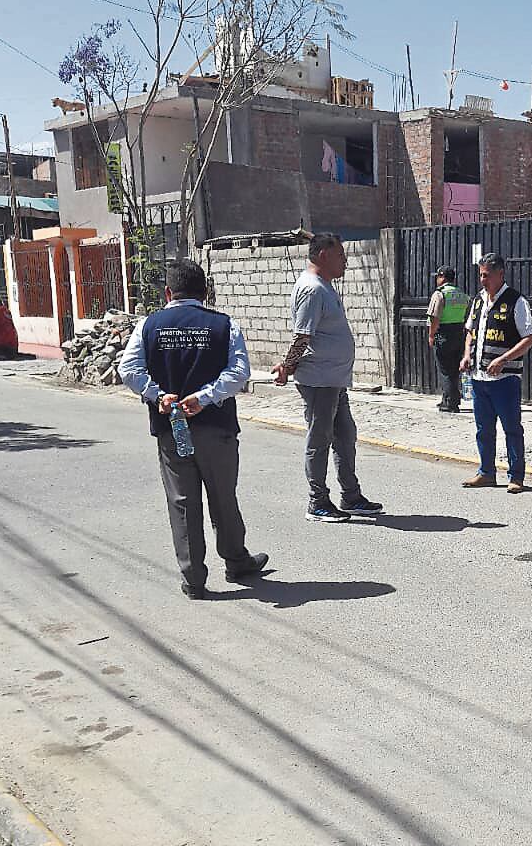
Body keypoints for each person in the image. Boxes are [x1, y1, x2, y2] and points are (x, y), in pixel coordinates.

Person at [119, 260, 267, 599]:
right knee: (223, 497)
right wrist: (204, 397)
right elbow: (239, 372)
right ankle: (236, 561)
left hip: (172, 429)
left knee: (182, 502)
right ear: (205, 292)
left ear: (168, 293)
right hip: (216, 427)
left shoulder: (149, 325)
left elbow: (128, 370)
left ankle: (193, 579)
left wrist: (158, 395)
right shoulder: (223, 324)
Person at [272, 233, 382, 523]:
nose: (345, 261)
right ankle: (317, 502)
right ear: (323, 255)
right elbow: (303, 335)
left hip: (334, 379)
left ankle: (351, 496)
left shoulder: (324, 286)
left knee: (345, 435)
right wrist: (287, 366)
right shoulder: (312, 289)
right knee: (319, 440)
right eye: (340, 256)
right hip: (319, 380)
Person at [460, 253, 532, 492]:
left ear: (500, 274)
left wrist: (503, 359)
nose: (482, 280)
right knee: (483, 429)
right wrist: (466, 355)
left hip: (505, 379)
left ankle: (516, 476)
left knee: (512, 429)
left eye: (487, 275)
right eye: (481, 275)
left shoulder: (516, 301)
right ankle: (486, 472)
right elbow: (470, 332)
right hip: (479, 379)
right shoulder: (478, 300)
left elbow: (529, 338)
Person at [427, 266, 469, 412]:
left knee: (445, 369)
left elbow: (434, 317)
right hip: (458, 334)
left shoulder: (439, 295)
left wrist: (431, 335)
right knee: (454, 370)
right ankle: (450, 398)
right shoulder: (461, 294)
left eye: (438, 277)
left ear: (442, 277)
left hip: (443, 334)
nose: (437, 280)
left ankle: (450, 403)